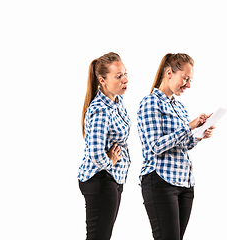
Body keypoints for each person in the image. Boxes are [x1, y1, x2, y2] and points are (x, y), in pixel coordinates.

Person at [137, 53, 216, 240]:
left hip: (184, 182)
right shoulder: (150, 103)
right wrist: (189, 126)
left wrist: (199, 135)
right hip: (160, 181)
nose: (188, 85)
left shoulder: (179, 107)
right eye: (185, 78)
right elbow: (155, 146)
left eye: (190, 80)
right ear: (169, 72)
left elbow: (183, 144)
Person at [78, 52, 131, 240]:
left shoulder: (117, 101)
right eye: (118, 76)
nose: (125, 79)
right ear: (102, 80)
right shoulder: (101, 110)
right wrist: (110, 162)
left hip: (111, 178)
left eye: (125, 74)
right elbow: (94, 153)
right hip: (100, 179)